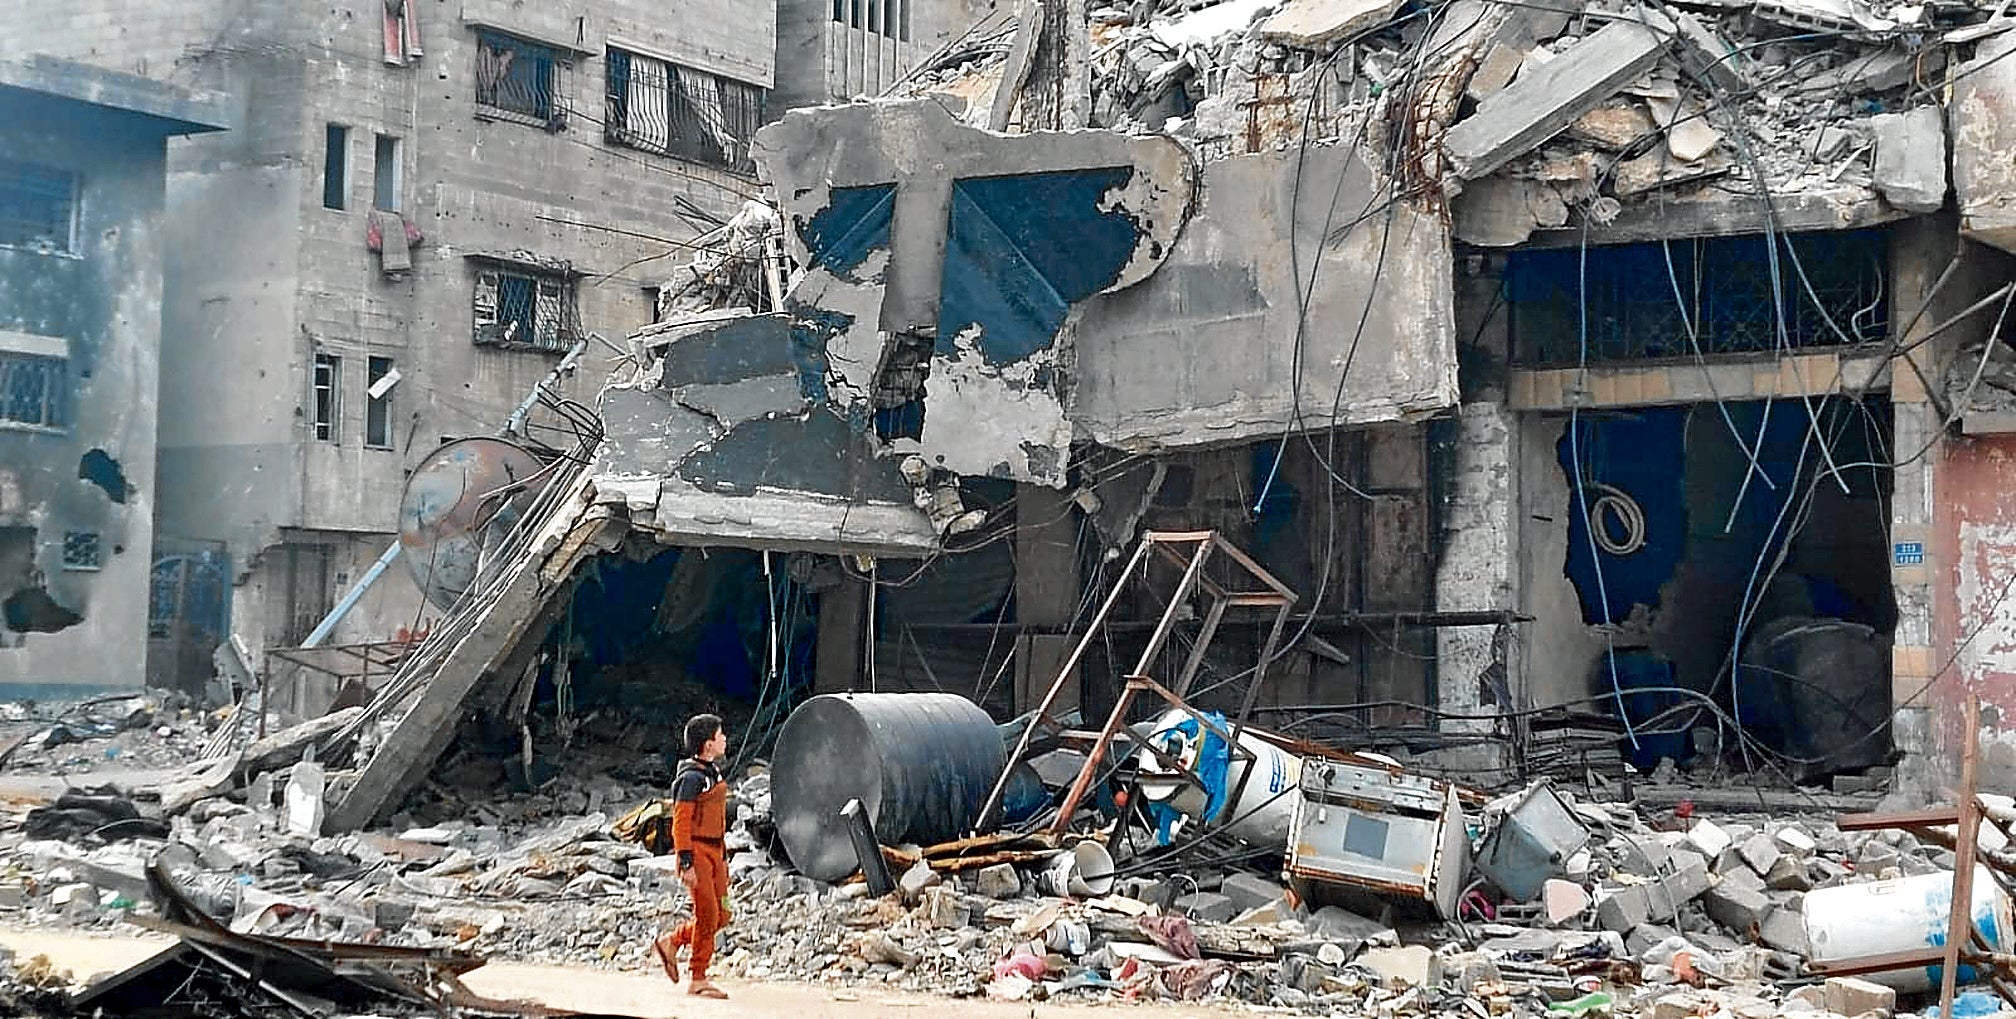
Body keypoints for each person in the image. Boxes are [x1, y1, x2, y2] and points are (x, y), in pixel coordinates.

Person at [651, 713, 732, 999]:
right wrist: (685, 861)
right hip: (697, 852)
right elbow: (681, 822)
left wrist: (722, 857)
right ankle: (698, 977)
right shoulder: (690, 779)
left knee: (723, 913)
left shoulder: (712, 773)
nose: (724, 739)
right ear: (708, 744)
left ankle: (672, 941)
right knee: (707, 913)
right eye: (720, 735)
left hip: (716, 853)